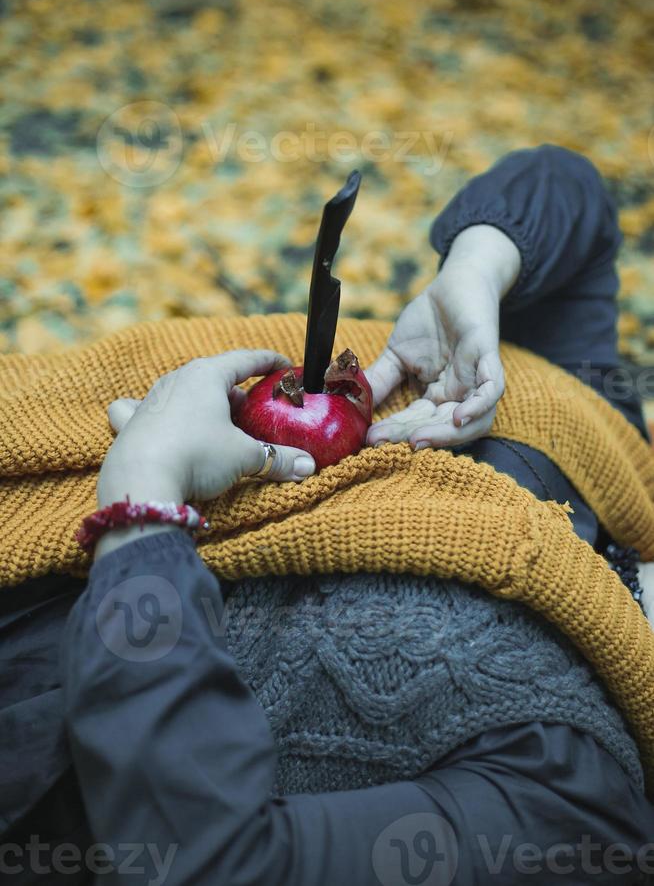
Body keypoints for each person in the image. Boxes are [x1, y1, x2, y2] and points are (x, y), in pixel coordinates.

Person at [1, 145, 653, 886]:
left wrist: (142, 500)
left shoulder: (577, 814)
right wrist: (477, 267)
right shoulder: (618, 450)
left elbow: (213, 860)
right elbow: (567, 187)